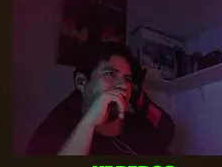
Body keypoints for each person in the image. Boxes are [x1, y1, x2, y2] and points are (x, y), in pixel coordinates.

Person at [25, 41, 173, 156]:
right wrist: (89, 122)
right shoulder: (55, 131)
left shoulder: (142, 127)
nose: (123, 86)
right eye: (110, 74)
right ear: (81, 82)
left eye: (128, 79)